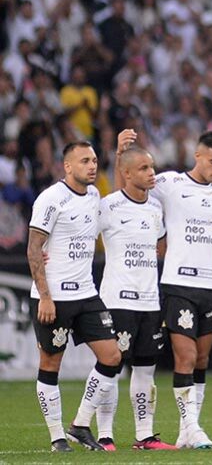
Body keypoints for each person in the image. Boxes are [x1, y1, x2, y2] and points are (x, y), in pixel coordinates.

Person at [137, 131, 212, 449]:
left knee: (202, 359)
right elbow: (133, 191)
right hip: (178, 284)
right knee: (186, 356)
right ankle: (194, 427)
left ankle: (185, 432)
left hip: (211, 285)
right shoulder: (170, 183)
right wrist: (159, 237)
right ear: (197, 155)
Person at [27, 141, 123, 452]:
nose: (92, 166)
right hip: (54, 297)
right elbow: (33, 249)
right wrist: (45, 296)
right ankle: (57, 437)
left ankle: (80, 424)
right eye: (84, 161)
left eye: (94, 160)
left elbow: (122, 201)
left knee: (112, 356)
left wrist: (119, 152)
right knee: (50, 363)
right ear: (67, 166)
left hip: (86, 293)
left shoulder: (94, 195)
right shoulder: (51, 199)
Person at [94, 140, 177, 451]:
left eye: (152, 166)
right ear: (126, 173)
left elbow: (160, 246)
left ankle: (144, 435)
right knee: (113, 367)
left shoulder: (156, 208)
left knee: (145, 369)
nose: (151, 172)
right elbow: (85, 236)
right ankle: (104, 435)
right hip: (117, 300)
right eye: (144, 168)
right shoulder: (109, 206)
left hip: (149, 300)